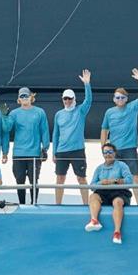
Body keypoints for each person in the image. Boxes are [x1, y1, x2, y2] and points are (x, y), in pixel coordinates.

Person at [100, 67, 138, 204]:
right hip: (113, 150)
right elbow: (104, 130)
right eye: (117, 97)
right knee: (114, 177)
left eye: (122, 97)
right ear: (114, 99)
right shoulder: (109, 112)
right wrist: (103, 147)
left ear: (126, 99)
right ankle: (116, 201)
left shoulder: (133, 107)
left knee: (134, 177)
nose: (120, 99)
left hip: (129, 149)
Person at [52, 69, 93, 205]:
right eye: (65, 98)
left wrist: (87, 84)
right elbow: (55, 134)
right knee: (60, 179)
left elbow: (89, 100)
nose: (68, 100)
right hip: (62, 151)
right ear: (62, 99)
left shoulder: (80, 111)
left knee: (81, 178)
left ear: (74, 99)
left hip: (78, 150)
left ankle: (86, 205)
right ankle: (58, 205)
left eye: (70, 98)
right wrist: (54, 152)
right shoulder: (58, 114)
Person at [5, 87, 49, 204]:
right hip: (18, 153)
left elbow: (44, 130)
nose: (24, 98)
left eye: (26, 95)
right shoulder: (14, 113)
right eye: (22, 96)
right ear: (18, 99)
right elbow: (7, 128)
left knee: (34, 180)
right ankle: (22, 204)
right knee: (20, 181)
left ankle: (34, 203)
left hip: (34, 153)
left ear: (31, 97)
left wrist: (45, 148)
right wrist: (4, 116)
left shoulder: (40, 112)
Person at [85, 143, 133, 245]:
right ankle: (94, 220)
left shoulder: (122, 165)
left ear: (114, 153)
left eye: (110, 152)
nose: (108, 154)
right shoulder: (99, 168)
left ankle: (117, 232)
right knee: (93, 196)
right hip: (103, 192)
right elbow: (92, 186)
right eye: (105, 152)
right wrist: (101, 183)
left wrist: (114, 181)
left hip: (119, 192)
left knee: (117, 202)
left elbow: (129, 180)